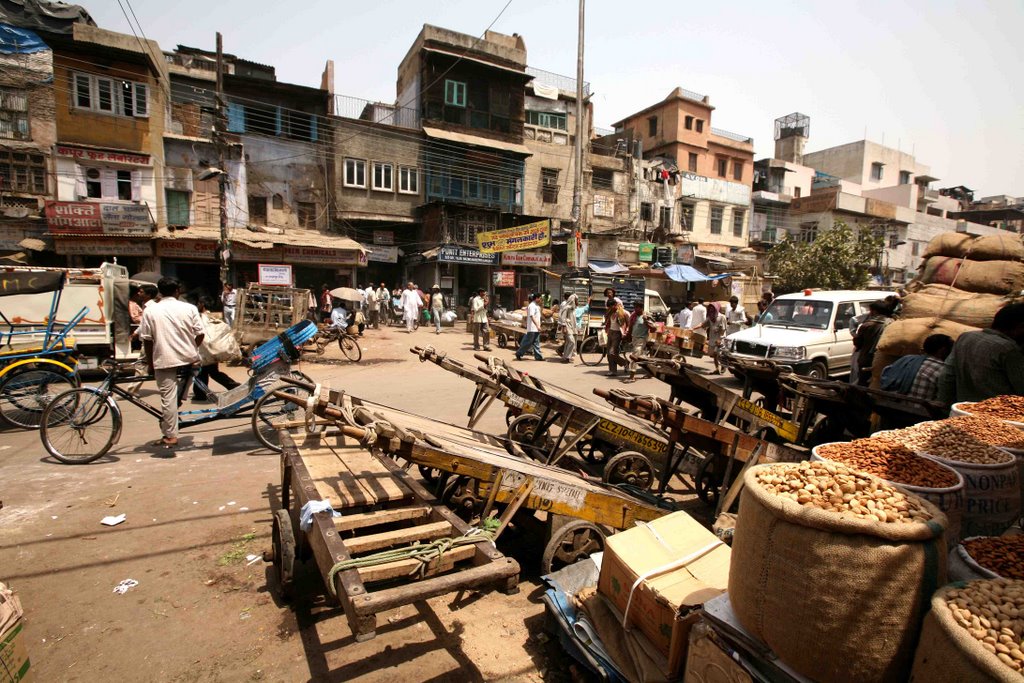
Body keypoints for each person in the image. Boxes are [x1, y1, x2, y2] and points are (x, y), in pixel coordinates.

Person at [138, 277, 204, 448]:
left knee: (168, 398)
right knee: (176, 395)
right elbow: (200, 333)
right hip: (190, 359)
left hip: (164, 358)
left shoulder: (150, 310)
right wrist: (191, 347)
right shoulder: (189, 308)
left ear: (160, 291)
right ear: (177, 291)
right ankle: (175, 409)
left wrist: (151, 363)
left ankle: (170, 435)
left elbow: (147, 339)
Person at [938, 302, 1024, 405]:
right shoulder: (1008, 349)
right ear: (1020, 327)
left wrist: (943, 403)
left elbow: (947, 375)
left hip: (965, 409)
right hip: (997, 413)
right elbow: (1021, 388)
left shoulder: (966, 337)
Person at [194, 296, 241, 401]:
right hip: (212, 348)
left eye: (198, 304)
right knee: (210, 371)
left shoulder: (201, 317)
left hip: (204, 349)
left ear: (202, 304)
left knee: (204, 371)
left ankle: (200, 394)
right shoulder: (214, 316)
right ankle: (234, 386)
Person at [881, 334, 954, 400]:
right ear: (942, 350)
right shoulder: (942, 369)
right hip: (920, 412)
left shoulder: (907, 359)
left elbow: (886, 373)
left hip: (892, 407)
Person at [852, 300, 892, 386]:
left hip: (867, 359)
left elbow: (858, 343)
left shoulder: (866, 325)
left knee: (863, 384)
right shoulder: (892, 323)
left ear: (874, 311)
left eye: (870, 310)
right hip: (885, 360)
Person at [624, 301, 653, 381]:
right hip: (634, 338)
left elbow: (653, 329)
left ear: (641, 308)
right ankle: (650, 372)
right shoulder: (633, 315)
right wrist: (628, 335)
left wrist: (646, 321)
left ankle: (632, 376)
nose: (635, 309)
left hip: (642, 339)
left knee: (634, 356)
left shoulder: (646, 315)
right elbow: (630, 327)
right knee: (642, 357)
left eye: (637, 307)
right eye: (635, 307)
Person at [515, 292, 544, 361]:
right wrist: (537, 325)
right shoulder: (532, 306)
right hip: (532, 328)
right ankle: (519, 353)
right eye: (540, 298)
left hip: (536, 328)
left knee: (536, 343)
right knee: (528, 342)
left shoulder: (537, 306)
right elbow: (532, 316)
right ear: (536, 298)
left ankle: (538, 357)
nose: (540, 299)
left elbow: (538, 316)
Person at [605, 297, 630, 376]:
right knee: (609, 354)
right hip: (610, 333)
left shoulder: (623, 312)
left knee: (612, 352)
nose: (610, 308)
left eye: (611, 306)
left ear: (615, 305)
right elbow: (607, 321)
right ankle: (613, 371)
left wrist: (626, 332)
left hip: (618, 334)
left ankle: (625, 362)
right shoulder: (610, 312)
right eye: (609, 307)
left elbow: (629, 324)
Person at [705, 302, 728, 374]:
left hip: (720, 339)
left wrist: (719, 339)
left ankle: (724, 365)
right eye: (710, 308)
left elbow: (723, 329)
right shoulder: (710, 317)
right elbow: (704, 324)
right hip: (713, 338)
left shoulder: (722, 317)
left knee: (717, 354)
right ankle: (717, 369)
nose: (711, 310)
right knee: (714, 355)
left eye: (713, 308)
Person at [559, 291, 578, 363]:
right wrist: (563, 327)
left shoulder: (572, 308)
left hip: (571, 328)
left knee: (568, 342)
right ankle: (567, 357)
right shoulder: (566, 307)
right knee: (572, 342)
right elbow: (562, 317)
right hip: (567, 327)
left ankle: (565, 358)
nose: (576, 302)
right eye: (575, 300)